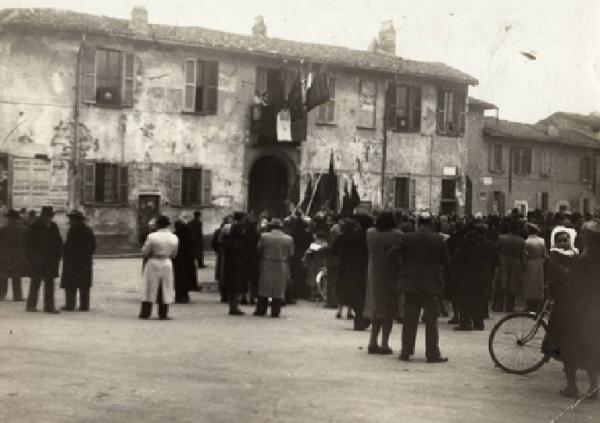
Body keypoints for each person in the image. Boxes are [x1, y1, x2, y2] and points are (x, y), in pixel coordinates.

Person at [552, 222, 600, 399]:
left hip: (578, 309)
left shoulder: (583, 261)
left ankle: (572, 386)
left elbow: (572, 283)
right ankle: (594, 387)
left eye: (584, 233)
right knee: (592, 349)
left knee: (569, 347)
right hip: (594, 309)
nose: (581, 235)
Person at [394, 213, 450, 363]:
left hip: (411, 284)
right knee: (432, 320)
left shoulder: (407, 238)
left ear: (418, 223)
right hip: (431, 284)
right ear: (431, 224)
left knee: (409, 319)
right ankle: (432, 353)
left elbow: (397, 257)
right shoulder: (438, 239)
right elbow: (446, 261)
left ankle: (406, 351)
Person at [364, 211, 401, 355]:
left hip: (374, 274)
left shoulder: (370, 233)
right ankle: (385, 344)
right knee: (389, 311)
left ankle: (372, 342)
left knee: (376, 310)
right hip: (391, 275)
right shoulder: (397, 235)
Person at [454, 224, 499, 331]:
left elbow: (458, 260)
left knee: (466, 298)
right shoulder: (491, 245)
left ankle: (466, 321)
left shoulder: (466, 244)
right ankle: (479, 322)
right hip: (484, 275)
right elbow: (496, 262)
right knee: (479, 299)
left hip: (467, 275)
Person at [332, 216, 370, 329]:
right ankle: (359, 318)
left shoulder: (341, 238)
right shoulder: (362, 237)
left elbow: (335, 251)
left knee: (347, 291)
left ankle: (351, 313)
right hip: (360, 268)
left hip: (344, 268)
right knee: (359, 293)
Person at [139, 215, 178, 320]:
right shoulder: (174, 237)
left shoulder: (152, 236)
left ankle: (145, 312)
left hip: (153, 261)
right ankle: (163, 313)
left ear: (158, 225)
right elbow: (174, 254)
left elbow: (145, 251)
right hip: (167, 262)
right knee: (166, 287)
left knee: (149, 286)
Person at [25, 206, 63, 313]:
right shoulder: (34, 227)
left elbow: (58, 242)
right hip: (37, 260)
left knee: (49, 283)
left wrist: (58, 255)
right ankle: (31, 305)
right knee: (35, 282)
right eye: (47, 216)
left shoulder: (53, 226)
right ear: (42, 216)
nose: (49, 218)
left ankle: (49, 307)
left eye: (50, 216)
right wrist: (30, 257)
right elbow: (28, 244)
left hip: (50, 260)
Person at [255, 218, 294, 318]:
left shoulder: (264, 236)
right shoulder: (288, 239)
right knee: (278, 288)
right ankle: (275, 311)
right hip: (281, 264)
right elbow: (291, 254)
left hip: (267, 263)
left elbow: (259, 249)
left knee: (264, 287)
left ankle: (261, 310)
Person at [60, 210, 96, 311]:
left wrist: (65, 253)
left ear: (76, 220)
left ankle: (70, 305)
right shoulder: (88, 230)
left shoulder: (73, 230)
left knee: (70, 284)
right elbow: (93, 245)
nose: (70, 221)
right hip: (85, 261)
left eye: (71, 218)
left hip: (72, 261)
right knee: (84, 284)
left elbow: (69, 246)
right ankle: (84, 306)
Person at [493, 221, 526, 312]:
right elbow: (523, 254)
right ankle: (510, 306)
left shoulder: (501, 238)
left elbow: (497, 249)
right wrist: (524, 266)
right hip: (516, 262)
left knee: (500, 284)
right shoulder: (521, 240)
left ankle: (498, 306)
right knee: (512, 286)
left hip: (503, 261)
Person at [222, 212, 247, 316]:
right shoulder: (241, 232)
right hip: (238, 262)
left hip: (229, 261)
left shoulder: (227, 232)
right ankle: (235, 307)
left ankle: (231, 306)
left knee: (231, 284)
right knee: (237, 285)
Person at [0, 209, 27, 302]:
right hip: (17, 256)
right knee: (16, 277)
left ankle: (1, 294)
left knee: (3, 276)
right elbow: (25, 244)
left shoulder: (3, 229)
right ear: (17, 219)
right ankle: (17, 296)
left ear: (9, 218)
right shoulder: (22, 229)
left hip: (5, 255)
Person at [522, 223, 547, 313]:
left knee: (529, 285)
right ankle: (538, 305)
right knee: (539, 284)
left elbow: (524, 255)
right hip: (539, 264)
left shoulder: (526, 241)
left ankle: (530, 306)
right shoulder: (542, 241)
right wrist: (541, 262)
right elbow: (545, 255)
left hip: (529, 263)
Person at [172, 219, 197, 303]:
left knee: (178, 277)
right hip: (188, 260)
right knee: (187, 277)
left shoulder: (175, 236)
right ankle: (185, 294)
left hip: (177, 260)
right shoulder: (190, 236)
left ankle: (178, 295)